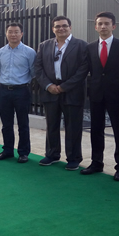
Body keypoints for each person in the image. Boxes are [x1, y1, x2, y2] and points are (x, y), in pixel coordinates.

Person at [82, 11, 119, 181]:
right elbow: (90, 71)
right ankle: (96, 162)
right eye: (100, 24)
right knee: (96, 129)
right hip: (96, 94)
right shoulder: (90, 47)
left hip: (116, 94)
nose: (103, 26)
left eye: (106, 23)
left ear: (114, 26)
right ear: (95, 27)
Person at [34, 16, 88, 171]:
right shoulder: (44, 45)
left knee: (73, 127)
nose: (61, 28)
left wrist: (64, 86)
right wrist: (48, 85)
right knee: (52, 125)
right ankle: (52, 154)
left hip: (72, 91)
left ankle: (73, 158)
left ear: (70, 27)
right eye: (57, 26)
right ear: (53, 29)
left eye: (64, 25)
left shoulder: (81, 45)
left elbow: (83, 69)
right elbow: (38, 68)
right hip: (50, 91)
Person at [0, 22, 37, 163]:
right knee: (6, 124)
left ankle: (23, 152)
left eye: (16, 32)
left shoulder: (29, 52)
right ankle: (7, 150)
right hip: (4, 90)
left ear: (21, 34)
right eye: (10, 32)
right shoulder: (0, 53)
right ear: (6, 34)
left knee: (23, 123)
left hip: (21, 91)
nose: (13, 34)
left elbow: (33, 72)